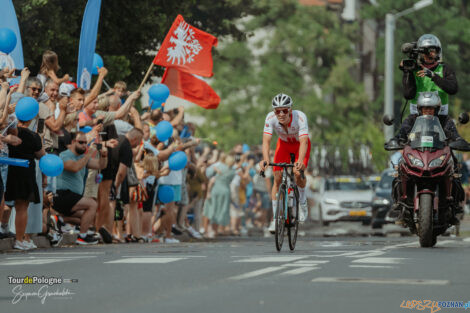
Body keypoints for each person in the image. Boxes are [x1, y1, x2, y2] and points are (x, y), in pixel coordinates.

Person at [386, 34, 469, 150]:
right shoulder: (414, 70)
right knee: (405, 127)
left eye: (432, 51)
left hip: (440, 118)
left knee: (452, 130)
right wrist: (407, 72)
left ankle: (454, 163)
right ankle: (400, 155)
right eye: (425, 52)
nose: (429, 55)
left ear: (438, 53)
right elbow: (408, 94)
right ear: (420, 54)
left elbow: (453, 89)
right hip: (417, 118)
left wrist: (433, 76)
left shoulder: (444, 69)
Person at [259, 93, 311, 233]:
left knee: (297, 173)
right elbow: (266, 141)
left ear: (290, 110)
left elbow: (304, 141)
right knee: (276, 178)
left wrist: (300, 161)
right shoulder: (270, 118)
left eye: (285, 110)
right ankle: (275, 219)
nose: (281, 114)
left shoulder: (300, 117)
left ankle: (302, 202)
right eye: (277, 111)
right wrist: (265, 159)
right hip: (283, 146)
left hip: (300, 145)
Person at [53, 131, 108, 245]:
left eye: (85, 143)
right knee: (92, 204)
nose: (84, 145)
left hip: (72, 197)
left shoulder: (83, 157)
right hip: (62, 194)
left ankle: (61, 220)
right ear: (73, 142)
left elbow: (100, 165)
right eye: (81, 142)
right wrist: (89, 153)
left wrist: (104, 155)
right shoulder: (65, 155)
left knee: (86, 218)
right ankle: (82, 236)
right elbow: (75, 167)